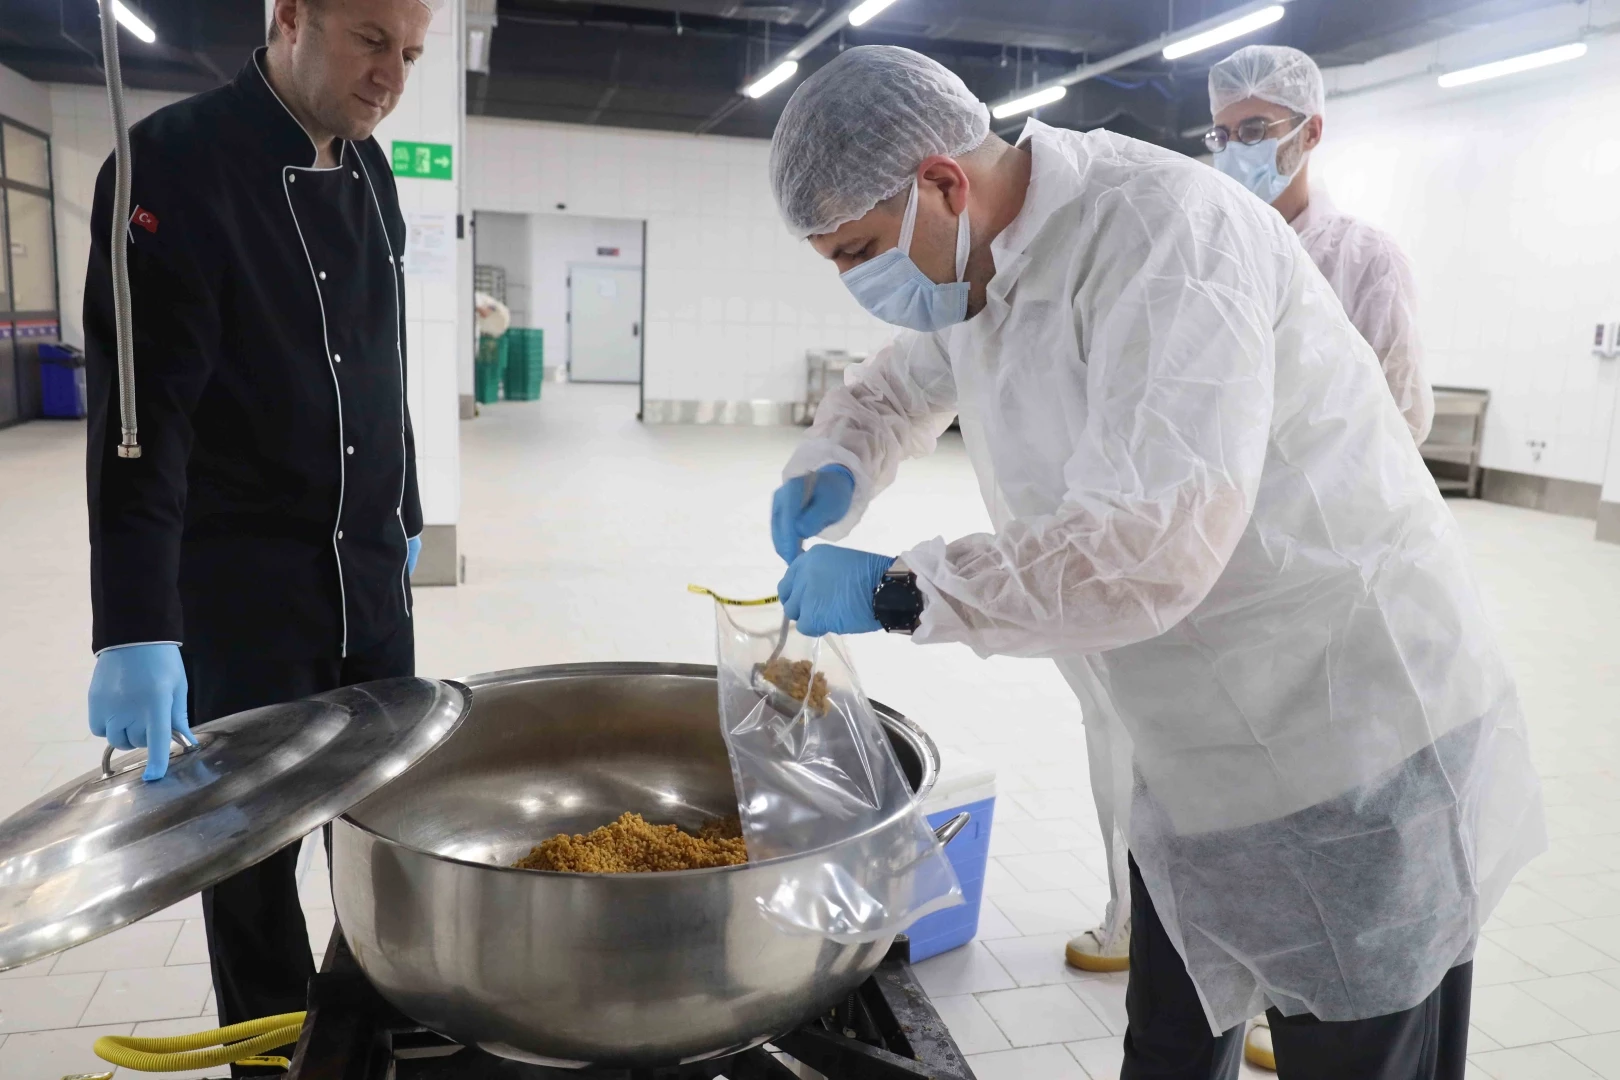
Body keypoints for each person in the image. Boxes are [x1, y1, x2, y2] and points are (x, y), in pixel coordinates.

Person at [766, 45, 1544, 1080]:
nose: (858, 282)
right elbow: (896, 388)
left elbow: (1149, 548)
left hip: (1345, 730)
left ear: (943, 183)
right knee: (1173, 1042)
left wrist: (904, 590)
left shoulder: (1166, 235)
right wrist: (834, 460)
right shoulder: (978, 269)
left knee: (1358, 1051)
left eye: (859, 251)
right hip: (1192, 744)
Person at [83, 0, 435, 1071]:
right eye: (371, 40)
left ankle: (379, 1036)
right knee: (249, 865)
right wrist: (135, 623)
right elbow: (140, 418)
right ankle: (270, 1060)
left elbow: (383, 361)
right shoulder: (170, 165)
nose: (392, 76)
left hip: (368, 579)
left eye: (411, 53)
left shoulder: (371, 171)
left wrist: (407, 510)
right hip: (244, 590)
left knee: (379, 835)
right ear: (290, 17)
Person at [1208, 43, 1433, 445]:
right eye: (1222, 136)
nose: (1235, 149)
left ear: (1310, 132)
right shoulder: (1209, 250)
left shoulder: (1366, 259)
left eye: (1255, 130)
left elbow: (1402, 417)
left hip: (1327, 483)